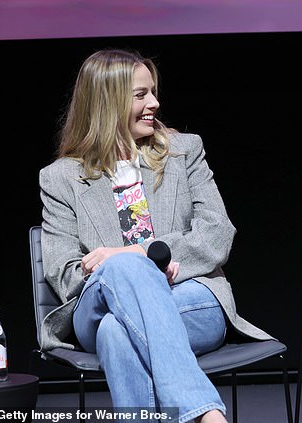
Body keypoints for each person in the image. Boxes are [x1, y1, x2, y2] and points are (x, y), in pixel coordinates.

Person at [38, 49, 272, 423]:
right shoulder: (60, 178)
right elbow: (64, 274)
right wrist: (132, 268)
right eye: (140, 94)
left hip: (190, 294)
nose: (155, 103)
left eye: (153, 92)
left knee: (118, 332)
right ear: (106, 102)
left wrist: (134, 253)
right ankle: (205, 412)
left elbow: (217, 234)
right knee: (122, 272)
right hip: (98, 306)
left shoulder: (184, 152)